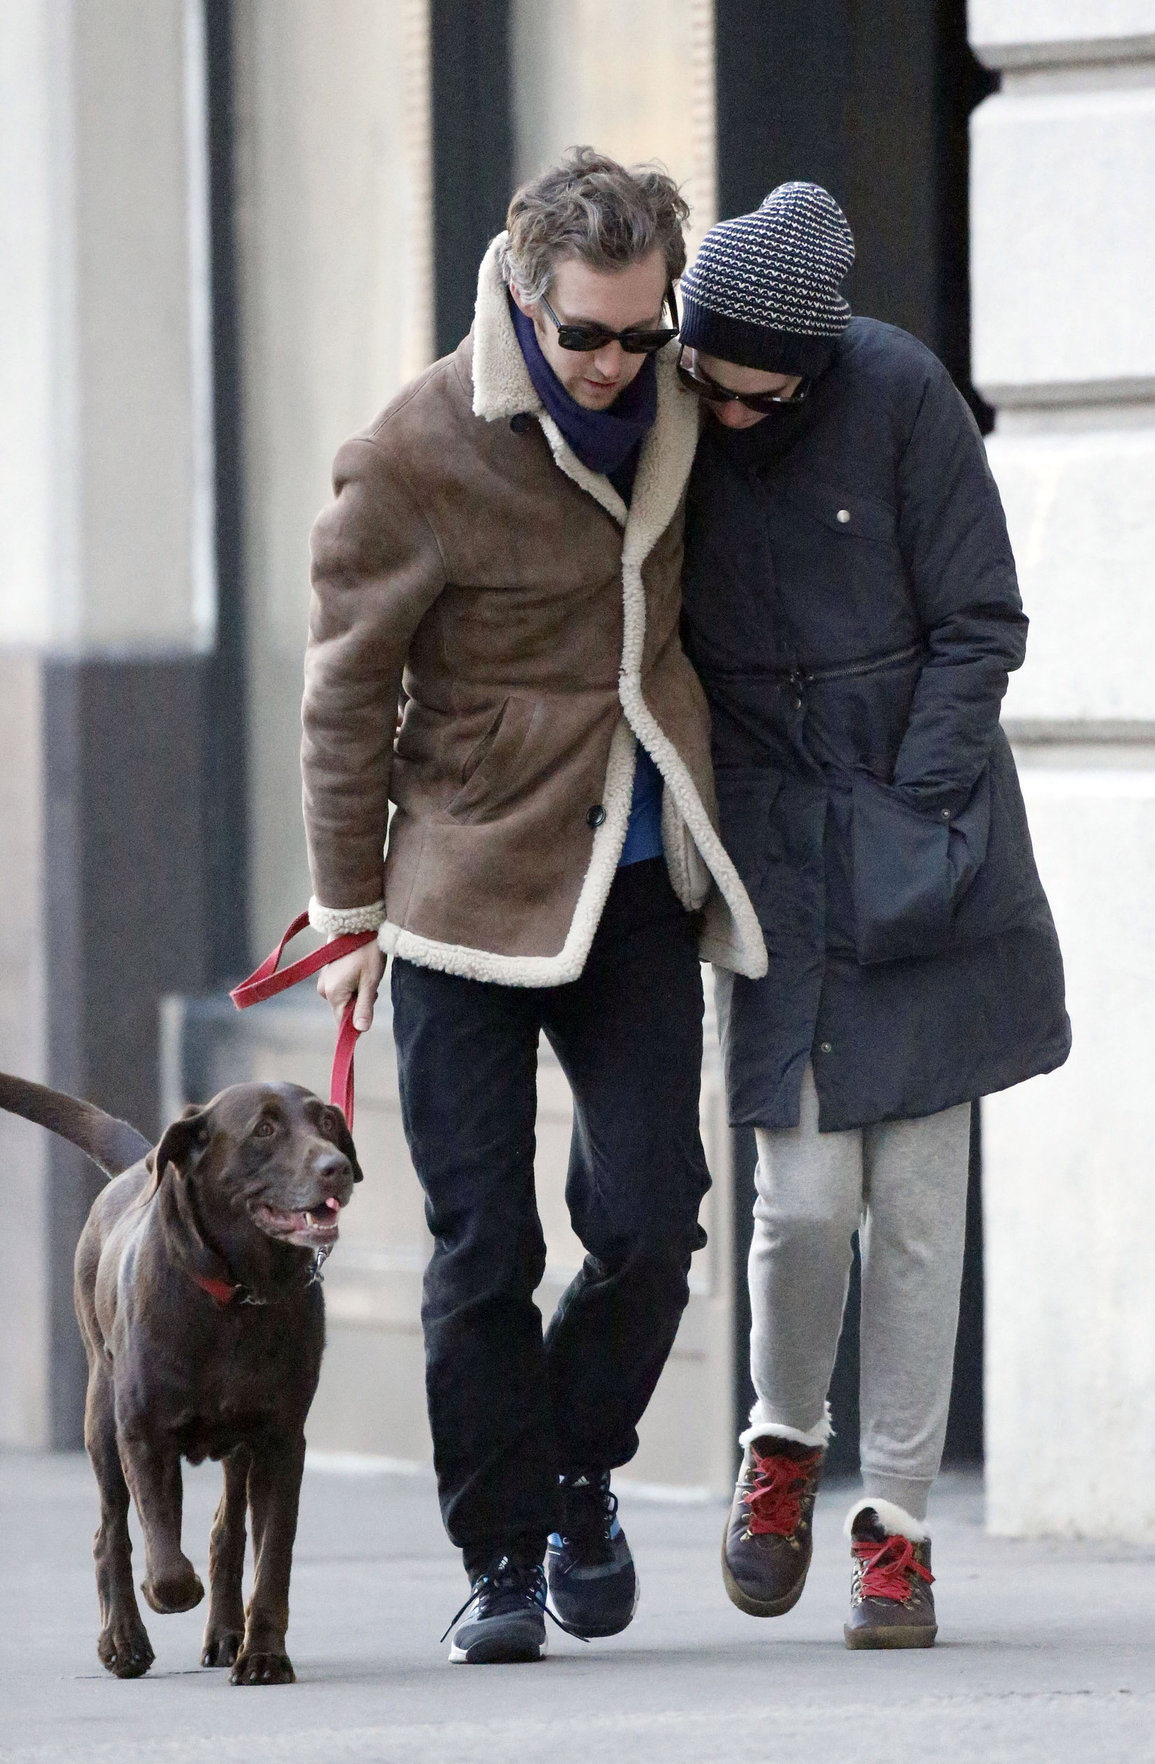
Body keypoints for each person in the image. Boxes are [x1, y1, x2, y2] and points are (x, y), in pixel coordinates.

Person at [300, 147, 765, 1665]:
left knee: (653, 1218)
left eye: (642, 331)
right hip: (462, 890)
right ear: (520, 288)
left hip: (633, 880)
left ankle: (576, 1473)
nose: (617, 361)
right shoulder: (412, 452)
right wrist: (346, 912)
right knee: (481, 1244)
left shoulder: (684, 403)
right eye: (585, 335)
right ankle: (501, 1556)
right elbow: (344, 696)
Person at [676, 181, 1070, 1649]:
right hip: (774, 841)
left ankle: (895, 1531)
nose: (723, 412)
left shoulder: (902, 394)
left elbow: (982, 620)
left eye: (752, 392)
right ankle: (782, 1442)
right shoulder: (677, 411)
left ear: (810, 365)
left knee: (915, 1209)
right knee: (802, 1198)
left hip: (926, 833)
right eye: (706, 382)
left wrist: (919, 803)